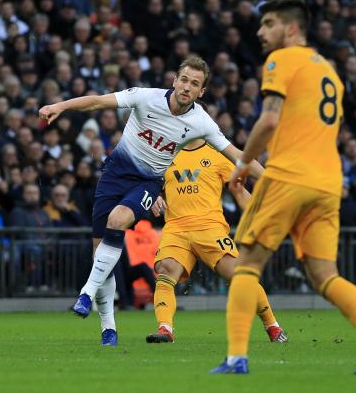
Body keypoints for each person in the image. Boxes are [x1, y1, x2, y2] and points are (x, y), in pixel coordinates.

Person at [213, 0, 356, 375]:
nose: (261, 32)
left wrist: (243, 163)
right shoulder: (329, 71)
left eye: (268, 23)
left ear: (291, 28)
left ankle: (236, 358)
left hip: (288, 175)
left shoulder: (282, 59)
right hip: (329, 183)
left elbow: (268, 121)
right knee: (324, 275)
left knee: (246, 265)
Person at [39, 55, 264, 346]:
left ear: (201, 93)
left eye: (194, 84)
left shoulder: (201, 122)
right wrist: (60, 106)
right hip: (114, 175)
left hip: (148, 183)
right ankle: (108, 328)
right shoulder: (145, 98)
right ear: (174, 80)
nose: (187, 87)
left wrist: (272, 180)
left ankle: (85, 293)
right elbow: (97, 101)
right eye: (184, 79)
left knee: (117, 220)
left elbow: (238, 156)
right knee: (100, 255)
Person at [146, 138, 287, 344]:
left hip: (210, 228)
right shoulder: (165, 152)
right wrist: (152, 196)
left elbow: (238, 190)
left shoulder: (219, 154)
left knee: (240, 276)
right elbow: (146, 185)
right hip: (176, 228)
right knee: (165, 271)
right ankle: (165, 329)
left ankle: (272, 325)